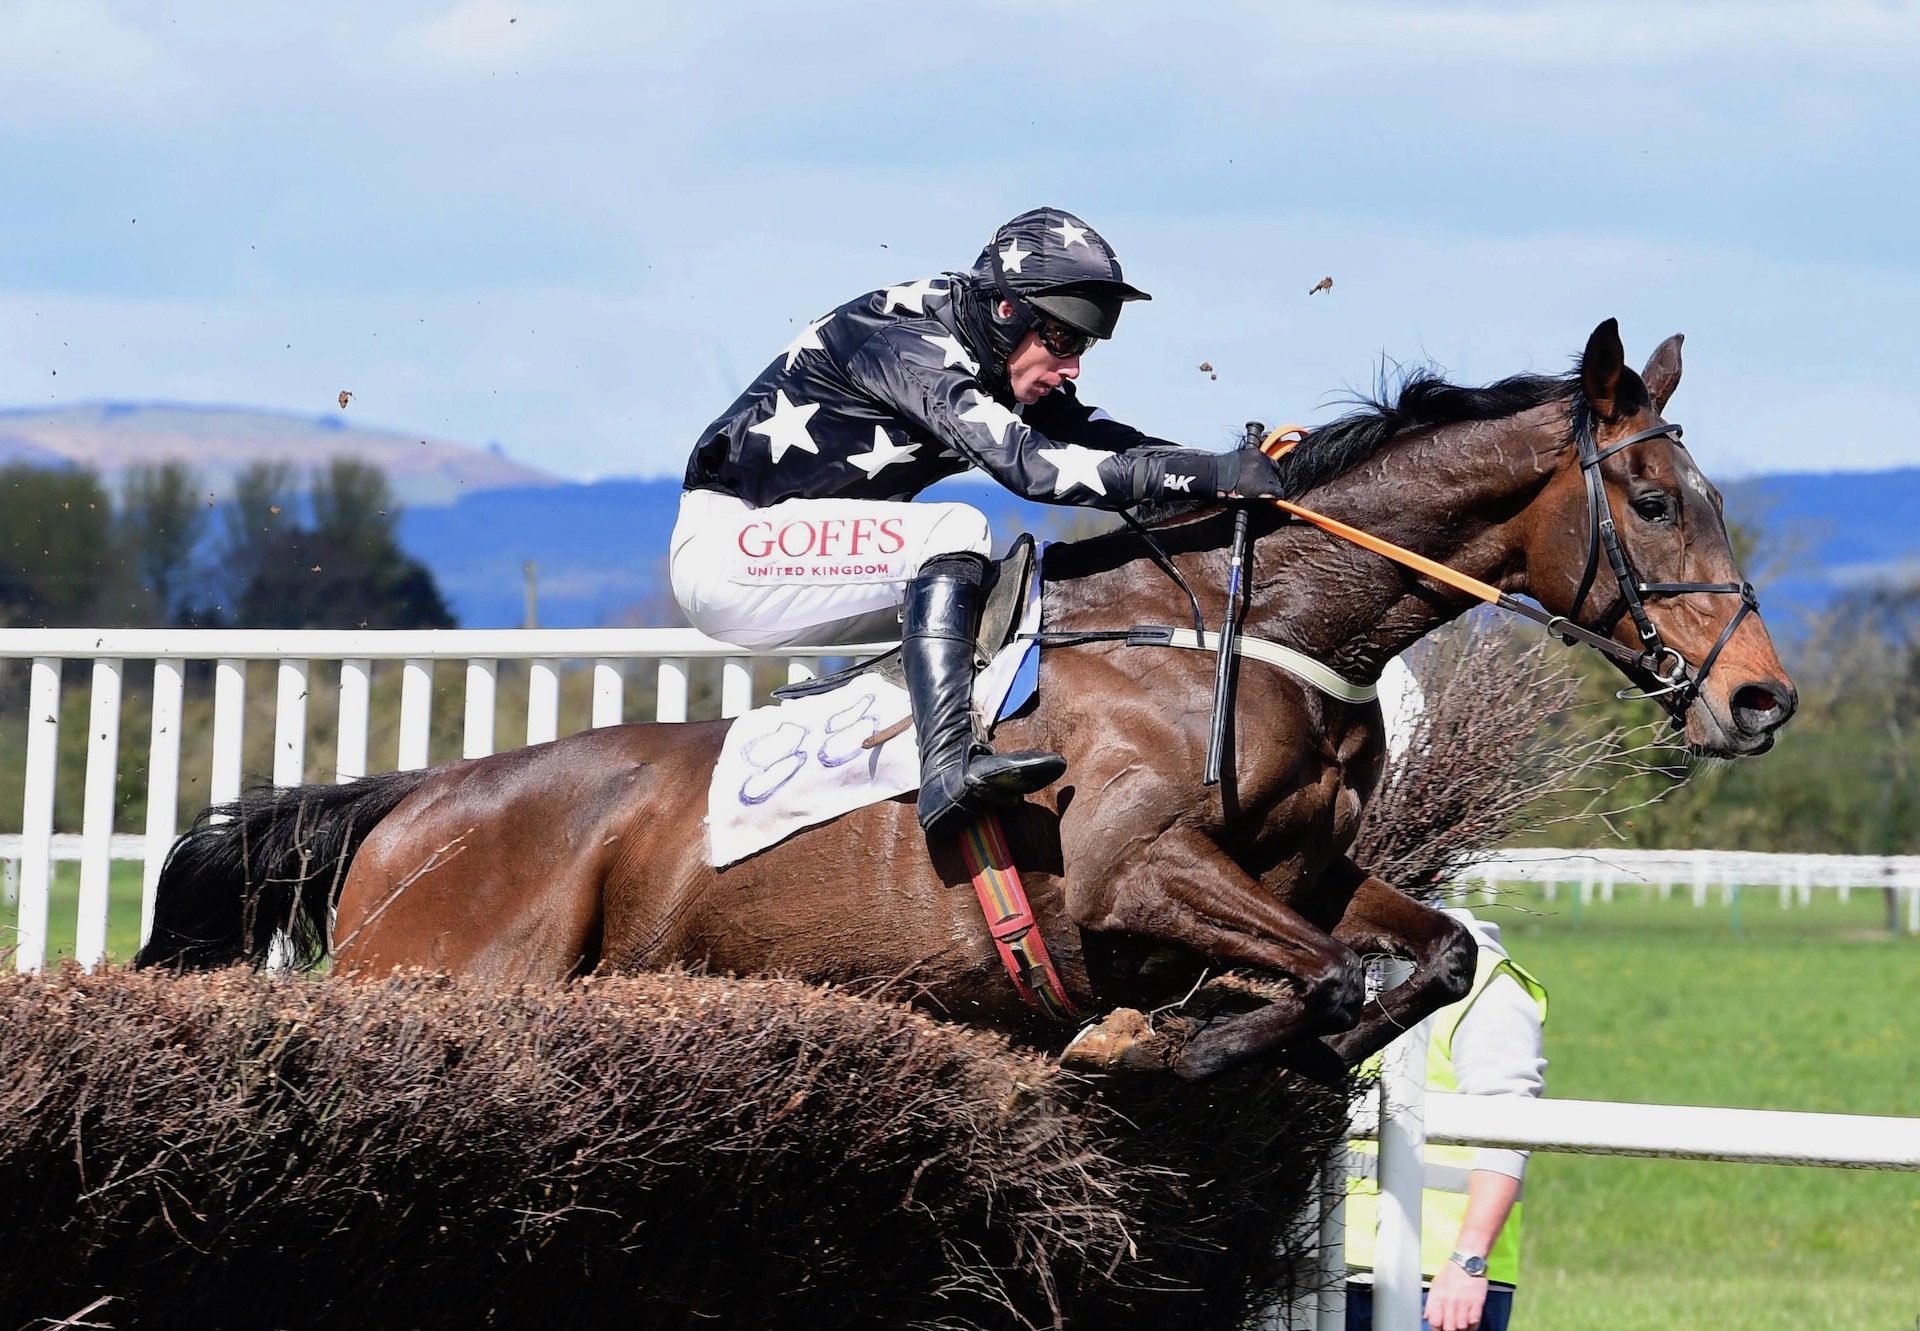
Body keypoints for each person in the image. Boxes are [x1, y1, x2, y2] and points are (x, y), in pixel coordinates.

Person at [671, 207, 1289, 838]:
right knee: (956, 531)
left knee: (1025, 587)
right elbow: (1036, 472)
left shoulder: (988, 352)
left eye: (1084, 346)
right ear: (1007, 311)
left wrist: (1220, 467)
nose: (1073, 367)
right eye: (1066, 341)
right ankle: (946, 770)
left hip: (798, 566)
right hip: (730, 552)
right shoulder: (906, 342)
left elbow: (1104, 441)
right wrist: (1205, 478)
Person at [1344, 908, 1549, 1331]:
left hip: (1437, 1283)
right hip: (1334, 1270)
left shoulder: (1485, 986)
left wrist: (1468, 1262)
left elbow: (1506, 1132)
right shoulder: (1348, 965)